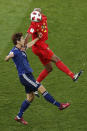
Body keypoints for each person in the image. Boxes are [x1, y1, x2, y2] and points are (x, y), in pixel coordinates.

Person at [5, 32, 70, 125]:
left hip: (29, 75)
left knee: (30, 98)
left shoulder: (22, 48)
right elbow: (9, 55)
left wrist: (38, 39)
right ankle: (59, 105)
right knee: (41, 88)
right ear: (18, 41)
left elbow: (30, 44)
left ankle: (19, 116)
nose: (24, 40)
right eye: (22, 39)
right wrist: (8, 57)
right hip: (24, 76)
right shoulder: (14, 51)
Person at [24, 8, 82, 84]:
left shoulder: (37, 21)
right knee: (56, 59)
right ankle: (73, 76)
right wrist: (24, 45)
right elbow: (27, 36)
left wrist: (34, 11)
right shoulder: (34, 24)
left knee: (49, 68)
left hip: (37, 48)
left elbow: (38, 9)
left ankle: (36, 84)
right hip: (40, 46)